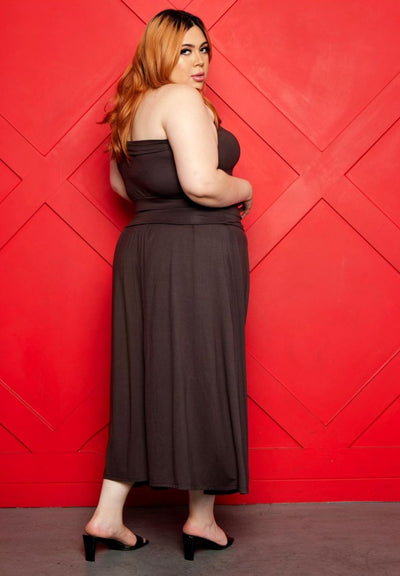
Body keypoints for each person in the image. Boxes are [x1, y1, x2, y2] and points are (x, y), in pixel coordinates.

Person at [83, 9, 253, 562]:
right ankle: (201, 520)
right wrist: (245, 187)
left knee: (142, 376)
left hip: (144, 248)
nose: (200, 61)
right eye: (185, 50)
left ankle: (108, 516)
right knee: (205, 370)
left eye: (204, 49)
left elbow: (123, 185)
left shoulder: (132, 106)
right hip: (197, 249)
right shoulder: (181, 100)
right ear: (159, 51)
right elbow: (201, 184)